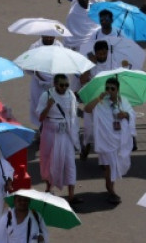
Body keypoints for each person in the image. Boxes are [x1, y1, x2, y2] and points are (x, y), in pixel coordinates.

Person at [84, 76, 134, 204]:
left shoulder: (123, 101)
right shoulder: (101, 101)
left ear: (117, 90)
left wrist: (125, 115)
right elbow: (87, 109)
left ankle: (110, 187)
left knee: (115, 166)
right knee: (109, 167)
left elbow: (131, 115)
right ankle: (111, 191)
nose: (110, 91)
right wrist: (98, 98)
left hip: (119, 140)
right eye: (107, 88)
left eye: (112, 88)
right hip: (105, 139)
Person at [38, 73, 79, 203]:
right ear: (55, 84)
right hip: (50, 133)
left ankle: (71, 195)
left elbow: (73, 115)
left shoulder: (71, 95)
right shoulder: (46, 95)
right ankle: (48, 189)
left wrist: (73, 132)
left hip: (65, 134)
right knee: (49, 161)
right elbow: (40, 117)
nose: (64, 88)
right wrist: (49, 106)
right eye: (61, 85)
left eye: (67, 85)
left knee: (70, 163)